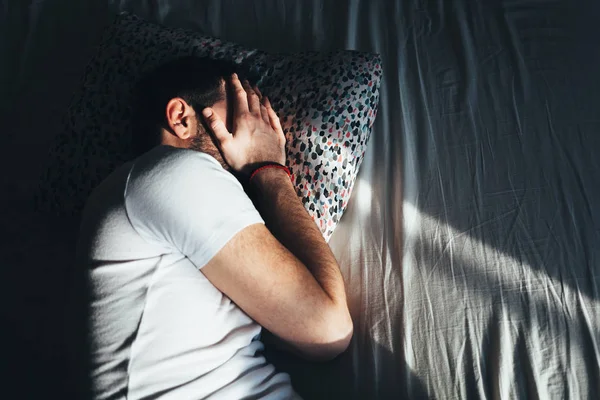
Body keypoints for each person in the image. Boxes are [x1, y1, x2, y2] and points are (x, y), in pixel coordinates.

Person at [77, 56, 353, 400]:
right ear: (181, 117)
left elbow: (298, 330)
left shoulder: (149, 194)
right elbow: (327, 330)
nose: (260, 128)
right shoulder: (173, 171)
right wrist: (267, 168)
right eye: (241, 113)